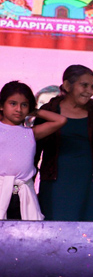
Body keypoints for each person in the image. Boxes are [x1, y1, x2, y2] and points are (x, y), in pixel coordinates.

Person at [36, 66, 93, 221]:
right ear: (67, 85)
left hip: (89, 185)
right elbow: (34, 151)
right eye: (84, 85)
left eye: (92, 87)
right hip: (55, 184)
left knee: (88, 231)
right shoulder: (49, 110)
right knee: (54, 229)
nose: (90, 91)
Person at [0, 81, 67, 220]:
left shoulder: (30, 133)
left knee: (24, 230)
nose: (18, 109)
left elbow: (61, 120)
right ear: (2, 105)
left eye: (24, 105)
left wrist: (34, 111)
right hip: (1, 190)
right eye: (13, 104)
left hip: (23, 194)